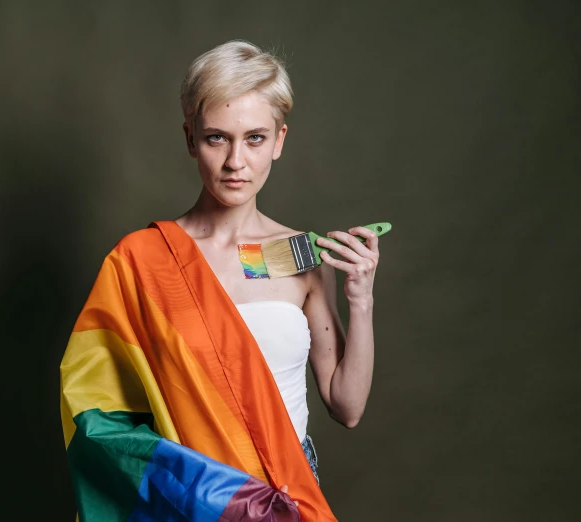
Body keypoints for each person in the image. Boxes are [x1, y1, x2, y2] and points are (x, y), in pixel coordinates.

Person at [60, 40, 380, 522]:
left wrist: (362, 299)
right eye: (216, 138)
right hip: (190, 500)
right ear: (190, 138)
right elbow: (100, 414)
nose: (236, 162)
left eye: (254, 138)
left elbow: (346, 406)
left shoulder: (300, 259)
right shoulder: (140, 263)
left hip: (285, 497)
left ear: (279, 140)